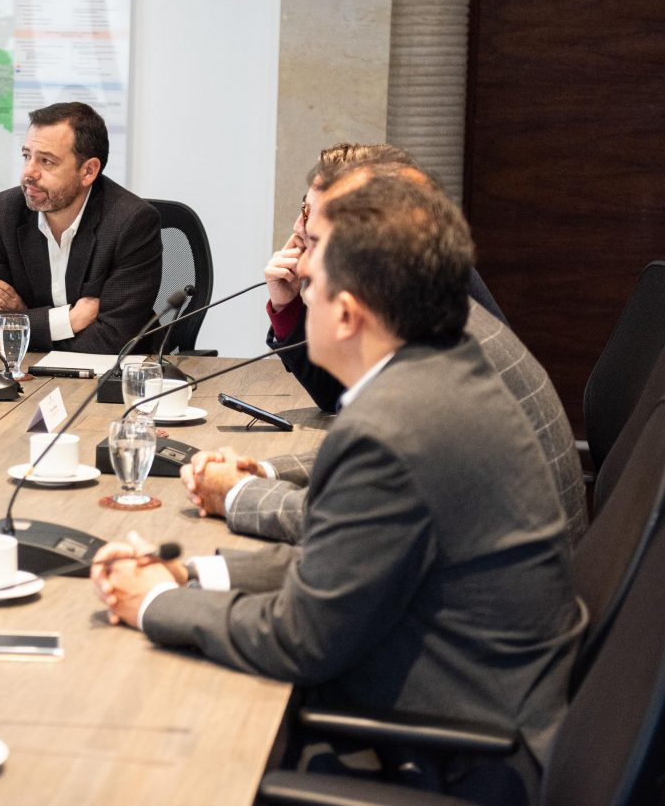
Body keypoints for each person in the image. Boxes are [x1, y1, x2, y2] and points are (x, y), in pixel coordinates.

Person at [92, 173, 581, 805]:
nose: (304, 298)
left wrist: (154, 604)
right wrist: (193, 575)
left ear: (348, 313)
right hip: (482, 710)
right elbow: (336, 563)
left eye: (313, 287)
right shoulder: (439, 368)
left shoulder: (393, 427)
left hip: (459, 756)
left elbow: (302, 639)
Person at [191, 159, 587, 548]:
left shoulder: (432, 363)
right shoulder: (435, 308)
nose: (299, 248)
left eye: (313, 236)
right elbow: (372, 458)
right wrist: (265, 469)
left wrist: (236, 492)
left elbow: (348, 523)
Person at [266, 143, 507, 411]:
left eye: (310, 214)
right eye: (303, 207)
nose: (298, 227)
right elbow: (336, 393)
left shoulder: (420, 297)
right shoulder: (406, 272)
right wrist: (286, 307)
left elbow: (375, 425)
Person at [0, 101, 161, 355]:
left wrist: (23, 318)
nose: (28, 173)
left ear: (88, 171)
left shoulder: (131, 222)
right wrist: (67, 321)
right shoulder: (1, 213)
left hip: (110, 381)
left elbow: (113, 339)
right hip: (28, 377)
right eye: (27, 156)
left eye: (46, 161)